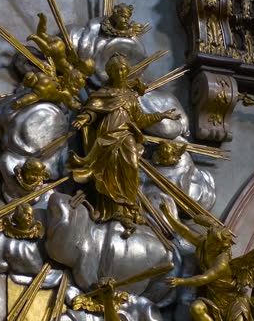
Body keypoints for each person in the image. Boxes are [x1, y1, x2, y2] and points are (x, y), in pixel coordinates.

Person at [69, 53, 180, 235]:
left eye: (122, 69)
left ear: (126, 71)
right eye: (116, 69)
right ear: (110, 72)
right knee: (108, 171)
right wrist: (85, 117)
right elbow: (94, 109)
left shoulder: (130, 96)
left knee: (131, 166)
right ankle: (113, 209)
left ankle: (128, 206)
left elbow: (140, 119)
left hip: (127, 136)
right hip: (106, 137)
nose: (120, 72)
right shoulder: (104, 94)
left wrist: (162, 115)